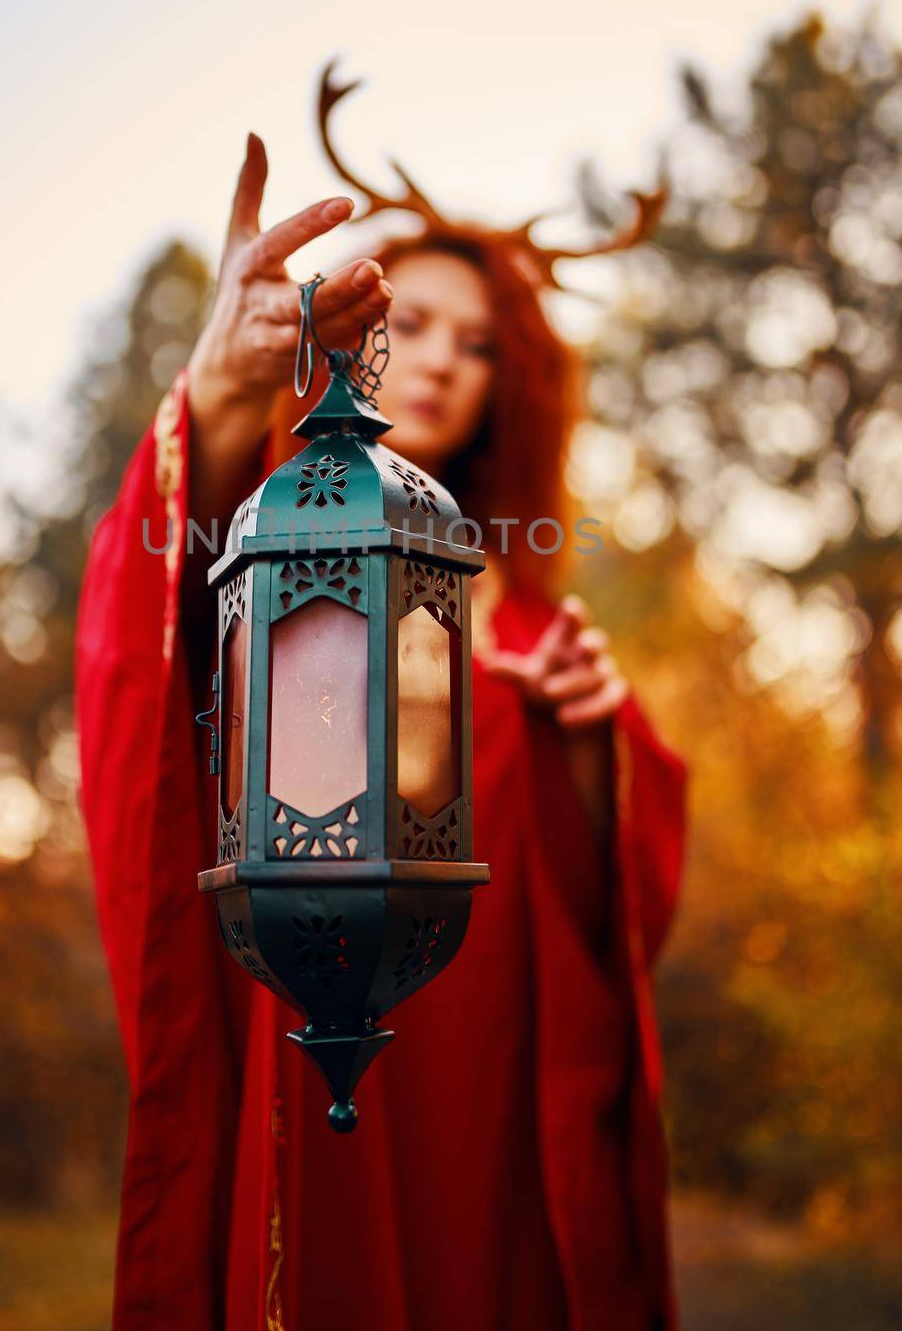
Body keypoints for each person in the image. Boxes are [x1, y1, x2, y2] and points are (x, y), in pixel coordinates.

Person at [76, 87, 688, 1331]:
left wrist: (589, 739)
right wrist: (221, 384)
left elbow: (620, 897)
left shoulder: (516, 603)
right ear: (349, 328)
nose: (444, 359)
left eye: (478, 345)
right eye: (413, 321)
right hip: (303, 1008)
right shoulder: (262, 544)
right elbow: (143, 634)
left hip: (485, 1050)